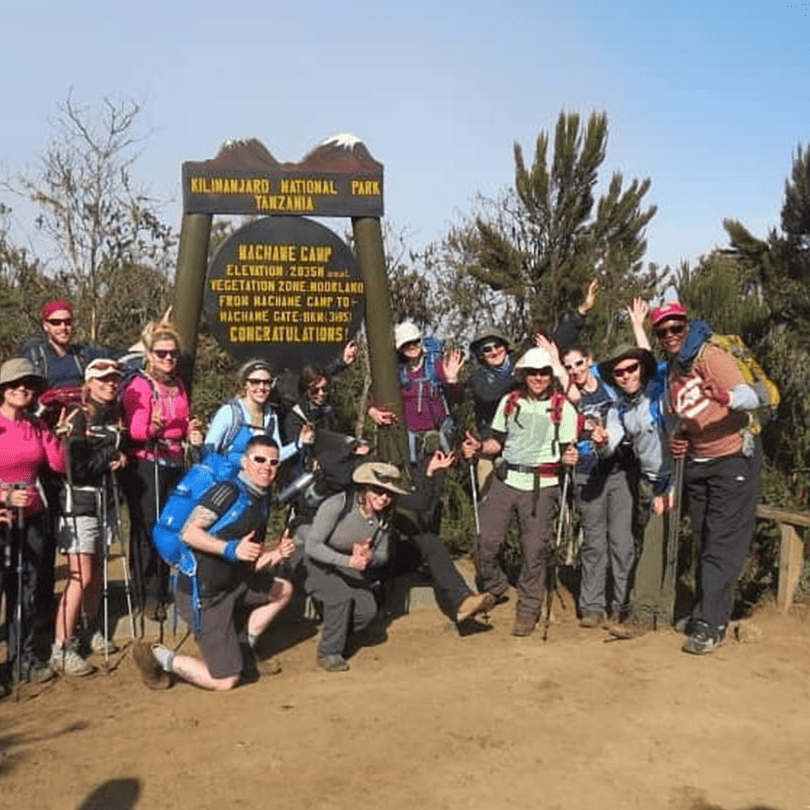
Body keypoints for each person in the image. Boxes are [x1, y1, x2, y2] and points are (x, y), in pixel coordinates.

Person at [132, 436, 294, 691]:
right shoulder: (229, 491)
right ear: (244, 462)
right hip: (204, 595)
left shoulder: (260, 499)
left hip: (234, 584)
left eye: (274, 462)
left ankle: (243, 648)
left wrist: (276, 556)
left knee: (283, 590)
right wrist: (230, 549)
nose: (267, 467)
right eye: (259, 459)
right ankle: (159, 657)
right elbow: (189, 533)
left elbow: (251, 560)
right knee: (225, 680)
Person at [652, 301, 763, 655]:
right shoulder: (673, 369)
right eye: (663, 331)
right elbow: (682, 416)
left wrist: (726, 396)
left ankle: (711, 624)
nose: (670, 335)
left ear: (686, 326)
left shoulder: (710, 356)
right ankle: (704, 611)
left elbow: (750, 395)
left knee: (722, 543)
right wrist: (678, 438)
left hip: (732, 459)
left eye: (675, 328)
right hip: (698, 462)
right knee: (703, 538)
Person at [461, 347, 578, 637]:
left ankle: (528, 609)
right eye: (533, 372)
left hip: (543, 485)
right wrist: (478, 448)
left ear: (551, 375)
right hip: (506, 479)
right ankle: (497, 587)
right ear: (523, 375)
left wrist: (570, 458)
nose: (538, 378)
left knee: (535, 550)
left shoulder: (564, 408)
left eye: (544, 372)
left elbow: (568, 452)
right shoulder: (510, 402)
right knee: (485, 540)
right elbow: (496, 444)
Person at [121, 321, 203, 620]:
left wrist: (190, 428)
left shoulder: (178, 384)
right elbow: (134, 429)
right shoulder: (139, 385)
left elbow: (182, 420)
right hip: (146, 462)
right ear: (149, 354)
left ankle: (163, 586)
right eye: (161, 353)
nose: (168, 358)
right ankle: (148, 594)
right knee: (147, 528)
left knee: (171, 524)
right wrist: (151, 428)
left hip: (174, 458)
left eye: (172, 353)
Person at [50, 359, 128, 676]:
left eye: (114, 379)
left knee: (96, 570)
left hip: (105, 502)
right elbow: (77, 467)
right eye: (103, 379)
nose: (110, 384)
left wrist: (119, 455)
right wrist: (110, 454)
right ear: (90, 382)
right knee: (79, 575)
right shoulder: (78, 415)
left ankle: (89, 627)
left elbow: (115, 452)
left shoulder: (114, 414)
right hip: (78, 501)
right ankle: (62, 645)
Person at [596, 341, 674, 637]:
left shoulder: (662, 395)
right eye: (620, 372)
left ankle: (642, 614)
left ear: (642, 369)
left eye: (632, 368)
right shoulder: (618, 409)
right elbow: (610, 443)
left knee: (655, 543)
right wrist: (601, 442)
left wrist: (674, 490)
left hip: (678, 478)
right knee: (659, 543)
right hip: (649, 483)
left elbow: (685, 441)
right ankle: (662, 616)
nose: (627, 375)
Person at [302, 461, 409, 672]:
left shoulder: (385, 517)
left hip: (349, 564)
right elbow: (312, 545)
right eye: (378, 490)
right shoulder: (337, 504)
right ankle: (329, 652)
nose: (384, 497)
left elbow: (382, 555)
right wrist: (349, 561)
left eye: (389, 493)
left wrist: (370, 558)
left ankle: (337, 636)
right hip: (312, 559)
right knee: (339, 596)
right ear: (365, 488)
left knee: (367, 609)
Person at [0, 358, 66, 685]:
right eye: (15, 384)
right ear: (3, 389)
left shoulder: (36, 425)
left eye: (28, 384)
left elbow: (58, 464)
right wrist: (4, 496)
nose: (22, 389)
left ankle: (22, 659)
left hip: (33, 519)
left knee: (24, 593)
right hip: (3, 519)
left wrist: (55, 433)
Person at [561, 344, 635, 628]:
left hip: (619, 471)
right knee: (593, 542)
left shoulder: (610, 384)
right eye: (568, 367)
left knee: (621, 541)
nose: (574, 371)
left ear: (589, 361)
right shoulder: (568, 398)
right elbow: (562, 436)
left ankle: (621, 603)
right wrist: (566, 455)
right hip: (586, 474)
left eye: (578, 364)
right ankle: (591, 605)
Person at [392, 447, 496, 626]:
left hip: (388, 554)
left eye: (385, 491)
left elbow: (420, 502)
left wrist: (430, 472)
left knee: (429, 543)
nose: (381, 497)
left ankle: (462, 600)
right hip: (361, 563)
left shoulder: (387, 495)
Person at [368, 322, 464, 463]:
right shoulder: (397, 372)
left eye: (415, 342)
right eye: (406, 344)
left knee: (435, 480)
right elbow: (374, 396)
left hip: (437, 438)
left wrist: (452, 379)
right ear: (400, 348)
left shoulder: (435, 365)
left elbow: (459, 398)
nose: (412, 346)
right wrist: (371, 410)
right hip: (409, 438)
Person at [203, 358, 312, 468]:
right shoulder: (229, 412)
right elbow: (208, 451)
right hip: (224, 481)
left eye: (267, 382)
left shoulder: (270, 417)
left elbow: (275, 456)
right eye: (255, 382)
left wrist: (300, 442)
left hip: (255, 483)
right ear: (245, 384)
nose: (261, 387)